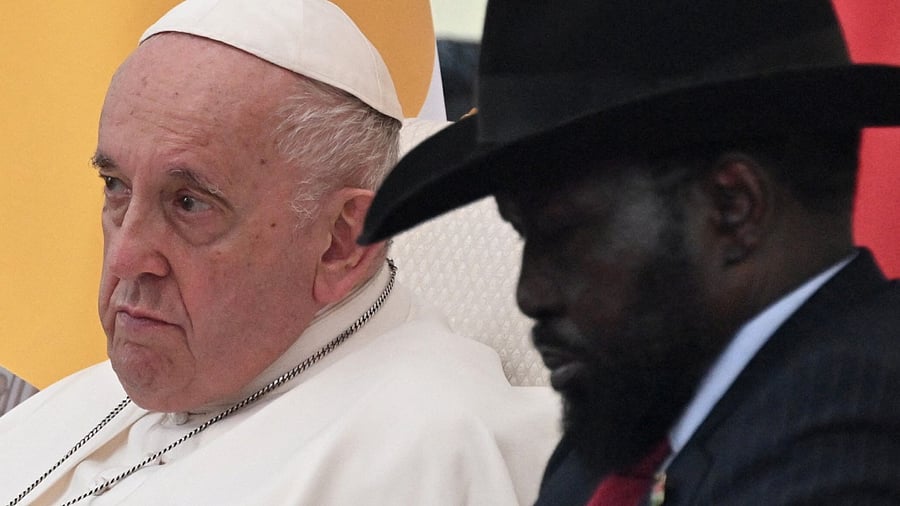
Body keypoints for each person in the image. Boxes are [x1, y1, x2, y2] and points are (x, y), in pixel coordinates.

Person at [0, 1, 561, 504]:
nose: (125, 258)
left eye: (190, 203)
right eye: (115, 187)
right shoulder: (93, 396)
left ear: (342, 240)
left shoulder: (425, 458)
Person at [360, 0, 900, 504]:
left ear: (732, 207)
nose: (531, 294)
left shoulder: (857, 447)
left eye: (563, 233)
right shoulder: (632, 415)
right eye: (525, 236)